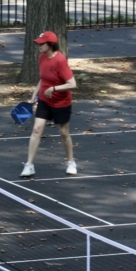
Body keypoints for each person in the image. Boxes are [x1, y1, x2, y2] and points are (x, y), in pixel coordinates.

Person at [21, 31, 78, 179]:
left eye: (42, 43)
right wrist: (34, 95)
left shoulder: (60, 61)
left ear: (50, 44)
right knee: (36, 130)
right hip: (45, 100)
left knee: (64, 133)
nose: (39, 45)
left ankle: (71, 162)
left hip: (61, 101)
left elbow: (72, 84)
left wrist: (53, 89)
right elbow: (43, 79)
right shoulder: (42, 58)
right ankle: (29, 165)